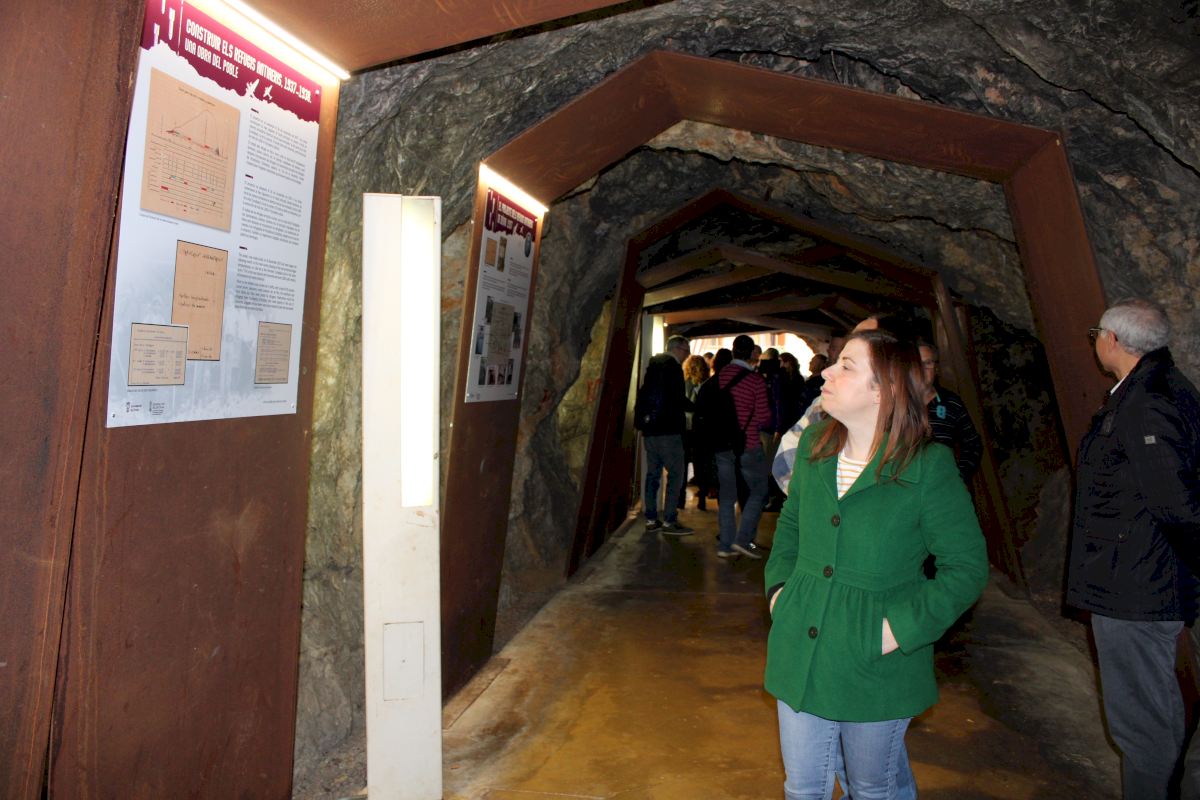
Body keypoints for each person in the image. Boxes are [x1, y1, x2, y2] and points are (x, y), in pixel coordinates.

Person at [764, 330, 988, 799]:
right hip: (802, 641)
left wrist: (897, 631)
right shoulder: (815, 446)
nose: (827, 371)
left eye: (846, 366)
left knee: (871, 787)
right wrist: (779, 593)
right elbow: (791, 526)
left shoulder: (928, 467)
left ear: (883, 389)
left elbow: (966, 567)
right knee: (803, 787)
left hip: (875, 660)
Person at [1066, 298, 1200, 800]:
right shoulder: (1167, 389)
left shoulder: (1146, 403)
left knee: (1143, 728)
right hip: (1141, 574)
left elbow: (1174, 502)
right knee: (1149, 722)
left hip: (1134, 585)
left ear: (1113, 341)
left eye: (1095, 334)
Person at [713, 335, 772, 559]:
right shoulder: (755, 381)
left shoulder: (720, 376)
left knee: (727, 496)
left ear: (733, 350)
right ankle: (743, 540)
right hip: (748, 444)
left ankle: (725, 545)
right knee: (759, 491)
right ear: (752, 354)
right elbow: (764, 417)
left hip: (722, 444)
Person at [633, 334, 694, 535]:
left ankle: (651, 519)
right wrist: (697, 408)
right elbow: (677, 399)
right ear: (677, 349)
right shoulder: (673, 367)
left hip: (650, 430)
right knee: (676, 475)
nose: (688, 355)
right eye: (686, 351)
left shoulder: (653, 366)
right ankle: (669, 520)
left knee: (653, 474)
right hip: (669, 430)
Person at [917, 341, 982, 483]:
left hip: (943, 485)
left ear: (936, 368)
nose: (921, 369)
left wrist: (958, 477)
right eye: (916, 364)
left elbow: (972, 443)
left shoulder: (951, 402)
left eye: (927, 363)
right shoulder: (896, 405)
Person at [681, 354, 713, 511]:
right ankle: (702, 497)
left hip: (686, 428)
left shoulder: (684, 384)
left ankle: (680, 499)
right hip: (702, 429)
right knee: (701, 464)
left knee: (682, 464)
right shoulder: (708, 384)